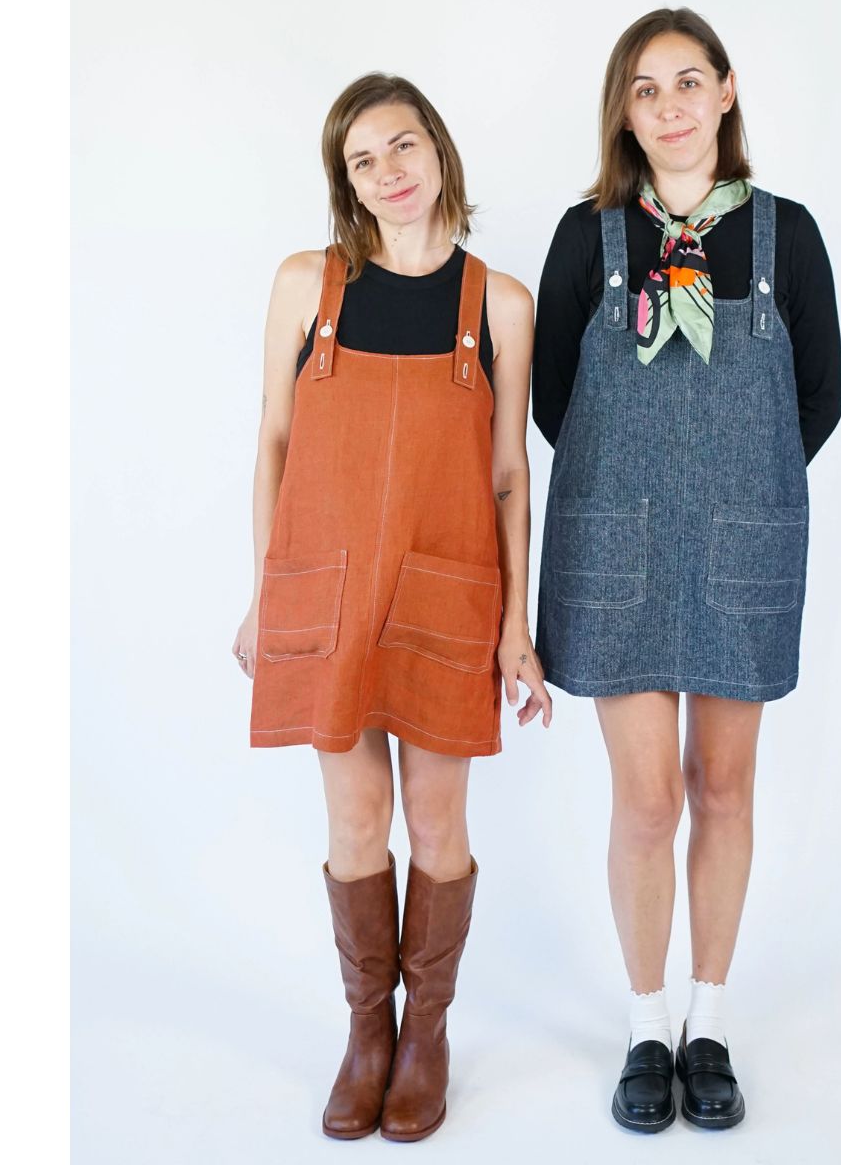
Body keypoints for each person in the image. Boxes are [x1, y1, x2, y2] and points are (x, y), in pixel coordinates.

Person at [532, 9, 841, 1132]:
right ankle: (645, 1025)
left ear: (725, 92)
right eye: (645, 89)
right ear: (624, 113)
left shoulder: (786, 236)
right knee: (649, 799)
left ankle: (707, 1021)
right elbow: (553, 401)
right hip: (614, 540)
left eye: (687, 81)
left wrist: (733, 486)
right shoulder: (589, 237)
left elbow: (821, 398)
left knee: (722, 787)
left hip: (742, 540)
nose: (669, 106)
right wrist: (642, 484)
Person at [232, 72, 552, 1142]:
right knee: (357, 818)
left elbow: (508, 476)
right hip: (326, 590)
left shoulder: (499, 304)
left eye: (402, 146)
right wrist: (266, 593)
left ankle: (428, 1038)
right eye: (362, 161)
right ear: (347, 182)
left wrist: (516, 626)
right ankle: (369, 1032)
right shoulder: (306, 285)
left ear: (439, 148)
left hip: (449, 591)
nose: (388, 173)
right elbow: (275, 442)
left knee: (438, 821)